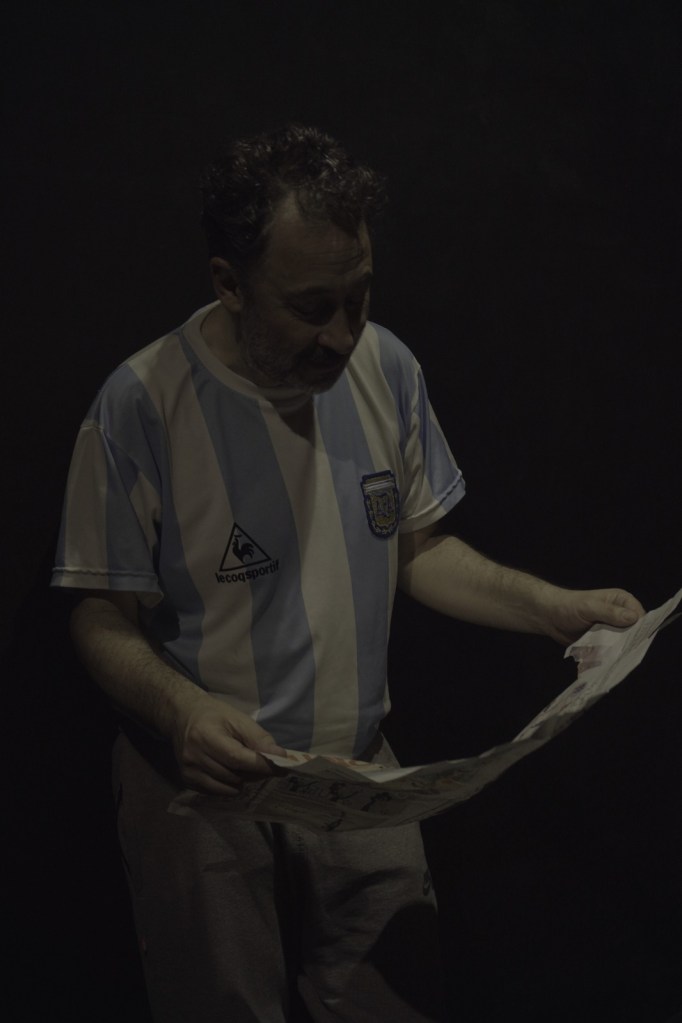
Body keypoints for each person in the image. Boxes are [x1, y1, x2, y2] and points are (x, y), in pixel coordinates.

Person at [52, 123, 644, 1023]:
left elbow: (419, 548)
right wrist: (183, 712)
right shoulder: (139, 405)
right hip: (202, 789)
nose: (341, 333)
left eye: (358, 296)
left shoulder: (386, 365)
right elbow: (99, 613)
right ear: (229, 282)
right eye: (310, 306)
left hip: (360, 774)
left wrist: (552, 606)